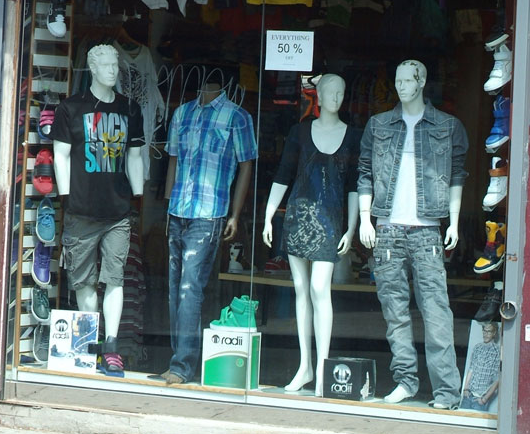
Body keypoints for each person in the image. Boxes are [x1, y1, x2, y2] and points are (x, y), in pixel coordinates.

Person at [358, 59, 465, 410]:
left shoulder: (447, 126)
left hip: (427, 231)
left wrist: (453, 222)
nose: (400, 86)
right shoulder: (378, 125)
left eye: (407, 80)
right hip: (387, 229)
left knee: (436, 312)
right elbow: (365, 174)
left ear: (421, 82)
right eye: (397, 80)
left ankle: (446, 391)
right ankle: (405, 381)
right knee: (395, 313)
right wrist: (365, 220)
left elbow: (457, 175)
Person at [153, 78, 257, 385]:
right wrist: (167, 206)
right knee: (175, 288)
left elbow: (246, 165)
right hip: (178, 211)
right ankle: (179, 359)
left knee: (189, 287)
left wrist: (234, 214)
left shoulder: (237, 116)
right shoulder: (182, 113)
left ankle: (182, 366)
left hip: (209, 213)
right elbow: (173, 160)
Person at [262, 74, 361, 393]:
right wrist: (268, 216)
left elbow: (354, 185)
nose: (336, 97)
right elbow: (283, 175)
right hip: (298, 217)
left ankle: (323, 368)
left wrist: (352, 227)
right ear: (318, 94)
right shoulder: (300, 132)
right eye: (331, 91)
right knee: (302, 290)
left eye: (341, 92)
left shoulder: (352, 136)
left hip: (330, 221)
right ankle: (305, 365)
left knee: (320, 288)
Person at [52, 44, 145, 377]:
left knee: (115, 278)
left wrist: (138, 195)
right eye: (105, 65)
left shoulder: (130, 109)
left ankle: (111, 348)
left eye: (114, 65)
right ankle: (88, 346)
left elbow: (135, 156)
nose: (112, 71)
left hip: (118, 211)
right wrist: (66, 197)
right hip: (81, 210)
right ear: (92, 68)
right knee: (84, 282)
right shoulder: (70, 108)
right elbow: (60, 155)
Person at [460, 321, 500, 412]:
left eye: (488, 331)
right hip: (468, 395)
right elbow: (471, 369)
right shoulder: (477, 347)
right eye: (484, 331)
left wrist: (484, 399)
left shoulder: (497, 352)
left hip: (480, 398)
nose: (485, 334)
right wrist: (465, 389)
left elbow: (497, 379)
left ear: (494, 333)